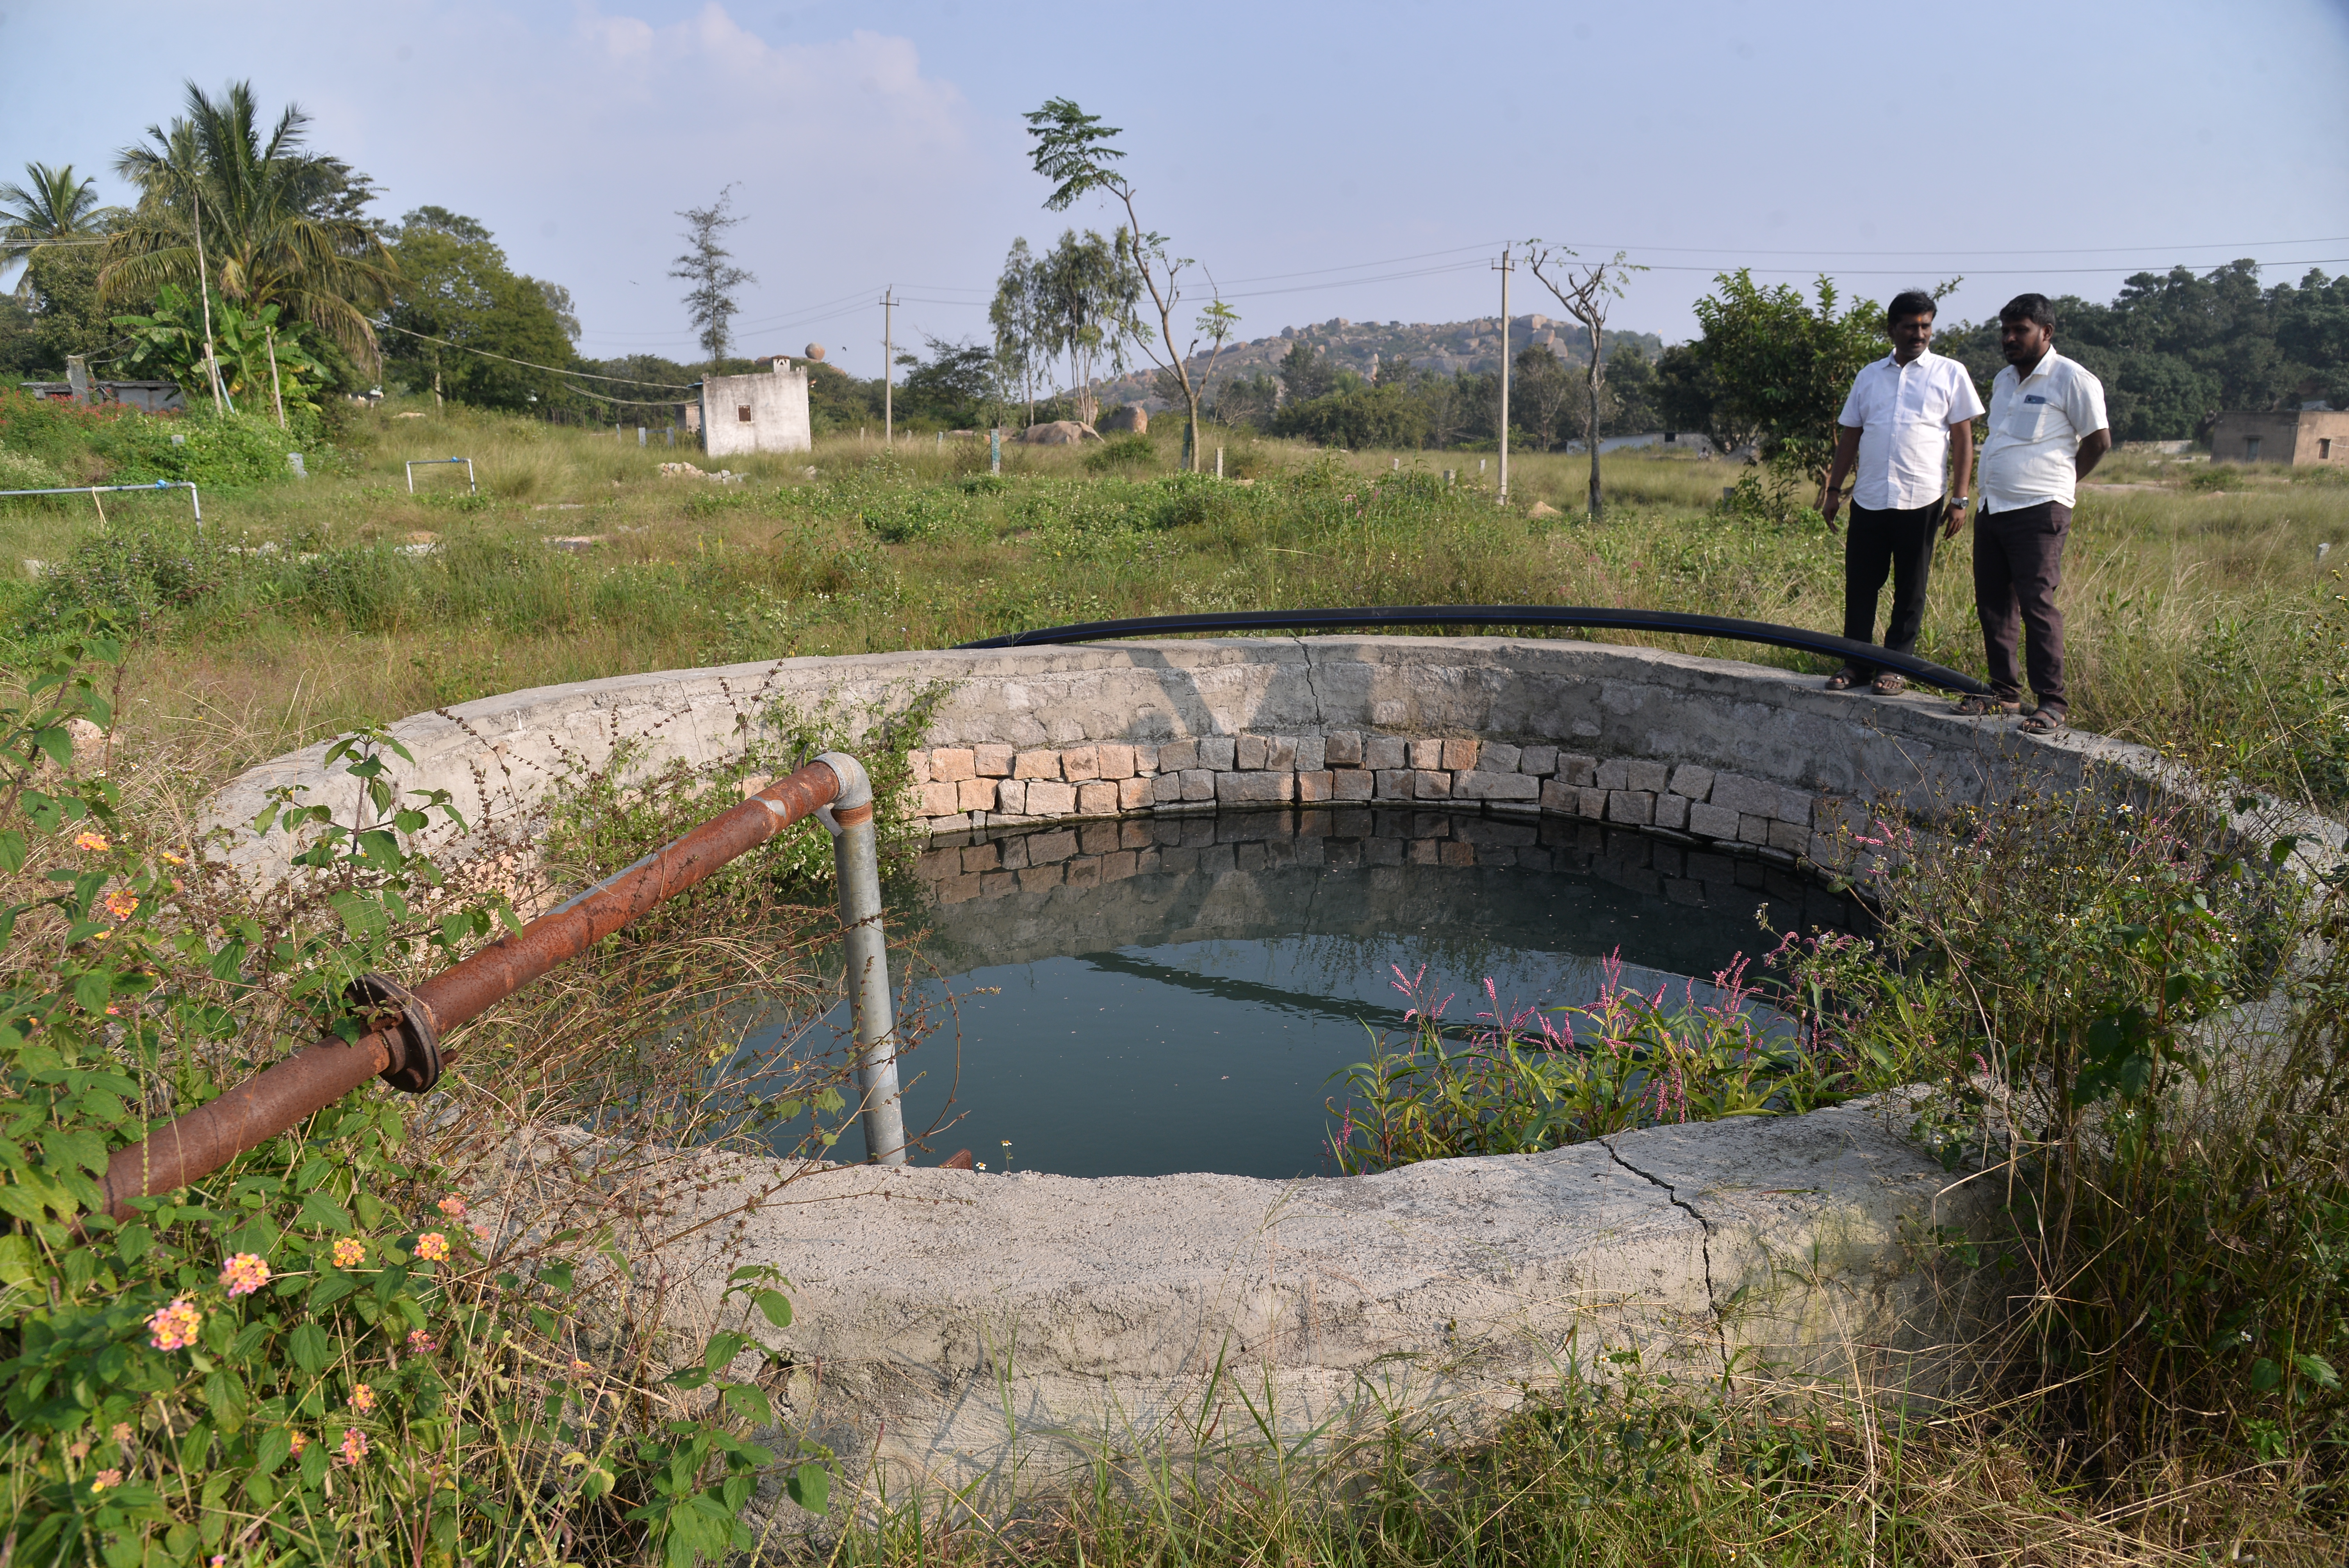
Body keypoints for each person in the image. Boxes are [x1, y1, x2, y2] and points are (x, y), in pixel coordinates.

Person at [1953, 293, 2110, 734]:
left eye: (2020, 330)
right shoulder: (2004, 379)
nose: (2010, 338)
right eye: (2005, 330)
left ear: (2046, 332)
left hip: (2040, 510)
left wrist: (2062, 484)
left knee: (2037, 604)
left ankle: (2052, 702)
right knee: (1994, 605)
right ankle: (2004, 692)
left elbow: (2099, 441)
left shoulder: (2072, 378)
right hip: (1993, 507)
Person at [1820, 290, 1985, 696]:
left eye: (1926, 326)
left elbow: (1963, 440)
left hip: (1922, 498)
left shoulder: (1950, 373)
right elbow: (1850, 436)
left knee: (1910, 589)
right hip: (1870, 497)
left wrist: (1960, 498)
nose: (1919, 334)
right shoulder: (1869, 376)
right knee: (1861, 585)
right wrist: (1833, 490)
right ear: (1892, 329)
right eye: (1911, 326)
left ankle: (1895, 667)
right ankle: (1856, 663)